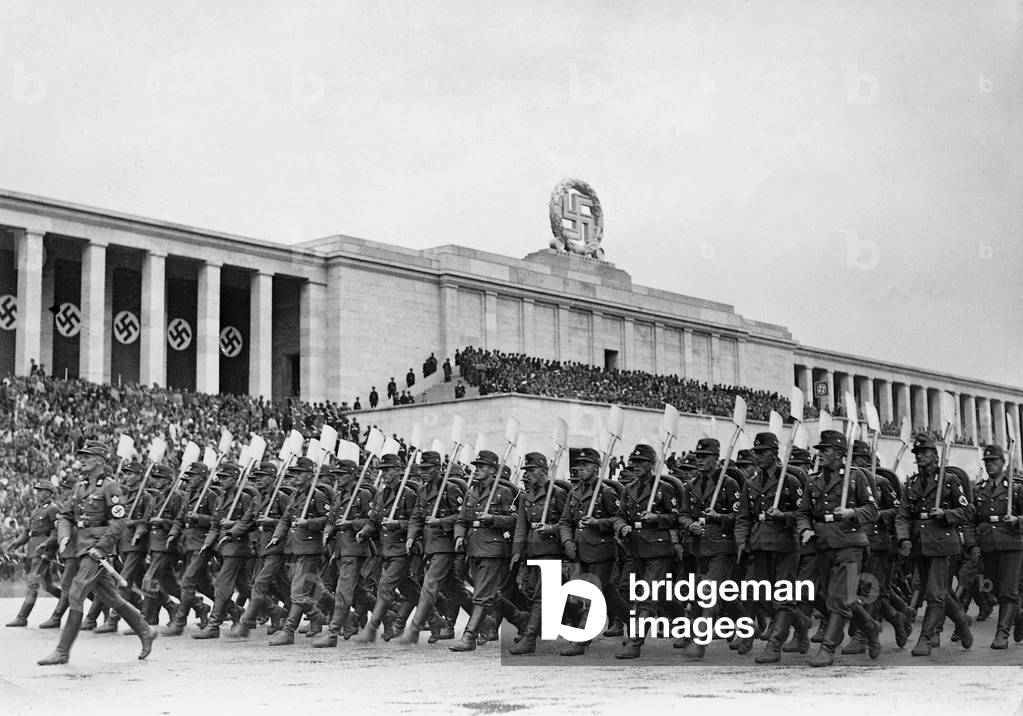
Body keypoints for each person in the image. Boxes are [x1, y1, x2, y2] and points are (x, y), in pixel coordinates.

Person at [38, 440, 155, 665]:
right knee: (112, 598)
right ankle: (145, 630)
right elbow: (65, 515)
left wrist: (100, 547)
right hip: (83, 549)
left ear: (100, 461)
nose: (81, 459)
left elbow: (119, 523)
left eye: (87, 456)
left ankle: (62, 651)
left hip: (98, 552)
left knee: (75, 593)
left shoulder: (110, 487)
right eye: (81, 456)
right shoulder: (79, 487)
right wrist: (63, 537)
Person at [797, 429, 879, 667]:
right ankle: (870, 627)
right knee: (835, 596)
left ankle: (828, 648)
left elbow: (872, 510)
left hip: (850, 543)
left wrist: (852, 512)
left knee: (840, 598)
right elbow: (804, 513)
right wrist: (805, 529)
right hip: (822, 544)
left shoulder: (856, 478)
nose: (820, 454)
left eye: (826, 450)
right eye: (820, 450)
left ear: (840, 454)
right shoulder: (812, 480)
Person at [895, 433, 974, 656]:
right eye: (917, 453)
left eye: (925, 453)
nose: (920, 457)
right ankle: (961, 622)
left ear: (935, 456)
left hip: (942, 543)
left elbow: (967, 510)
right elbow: (902, 515)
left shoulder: (949, 480)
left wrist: (945, 513)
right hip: (920, 544)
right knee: (940, 592)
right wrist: (903, 538)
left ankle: (926, 638)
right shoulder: (911, 484)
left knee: (934, 593)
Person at [734, 432, 803, 664]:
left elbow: (803, 514)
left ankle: (774, 645)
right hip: (759, 545)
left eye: (762, 452)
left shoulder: (790, 482)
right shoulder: (750, 483)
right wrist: (741, 541)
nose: (758, 456)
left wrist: (784, 515)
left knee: (782, 597)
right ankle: (800, 623)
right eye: (756, 452)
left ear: (774, 453)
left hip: (784, 545)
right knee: (758, 596)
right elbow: (744, 516)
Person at [557, 447, 630, 657]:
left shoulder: (606, 492)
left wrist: (598, 522)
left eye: (586, 465)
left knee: (592, 594)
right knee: (608, 593)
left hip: (601, 552)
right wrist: (567, 541)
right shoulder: (574, 493)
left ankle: (582, 639)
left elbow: (619, 519)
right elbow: (564, 521)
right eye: (578, 466)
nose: (580, 470)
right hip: (580, 551)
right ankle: (634, 623)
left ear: (597, 468)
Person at [614, 443, 684, 660]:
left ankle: (635, 642)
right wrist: (622, 527)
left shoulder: (664, 488)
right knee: (658, 596)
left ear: (652, 465)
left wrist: (658, 518)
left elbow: (677, 517)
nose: (636, 466)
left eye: (641, 462)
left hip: (658, 547)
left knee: (648, 595)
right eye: (634, 462)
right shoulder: (629, 489)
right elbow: (619, 515)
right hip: (636, 547)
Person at [398, 451, 472, 644]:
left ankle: (413, 629)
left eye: (427, 469)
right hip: (430, 545)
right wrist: (411, 536)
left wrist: (440, 520)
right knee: (454, 589)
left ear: (438, 469)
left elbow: (463, 517)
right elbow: (416, 517)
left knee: (429, 585)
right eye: (421, 469)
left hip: (446, 544)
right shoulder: (422, 491)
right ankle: (486, 622)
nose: (422, 472)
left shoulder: (451, 490)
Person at [508, 452, 568, 655]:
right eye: (526, 471)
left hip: (551, 550)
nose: (528, 474)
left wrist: (551, 529)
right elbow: (521, 527)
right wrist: (517, 551)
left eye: (532, 470)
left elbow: (568, 523)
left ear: (544, 472)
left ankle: (529, 638)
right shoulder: (526, 496)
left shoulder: (557, 494)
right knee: (531, 592)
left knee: (542, 596)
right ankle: (575, 621)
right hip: (532, 552)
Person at [971, 444, 1023, 649]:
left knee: (1008, 590)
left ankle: (1001, 634)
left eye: (994, 461)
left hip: (1012, 544)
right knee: (993, 588)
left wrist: (1018, 520)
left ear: (1003, 463)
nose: (990, 464)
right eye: (987, 461)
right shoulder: (978, 490)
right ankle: (1019, 615)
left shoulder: (1016, 489)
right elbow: (972, 520)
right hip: (988, 545)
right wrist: (972, 543)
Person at [4, 481, 61, 627]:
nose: (38, 493)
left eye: (41, 491)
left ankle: (22, 617)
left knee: (33, 582)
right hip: (32, 550)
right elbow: (28, 532)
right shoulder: (36, 510)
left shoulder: (53, 509)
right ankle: (66, 601)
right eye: (37, 490)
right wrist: (17, 543)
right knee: (48, 586)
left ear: (49, 493)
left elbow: (56, 532)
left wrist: (47, 546)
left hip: (43, 552)